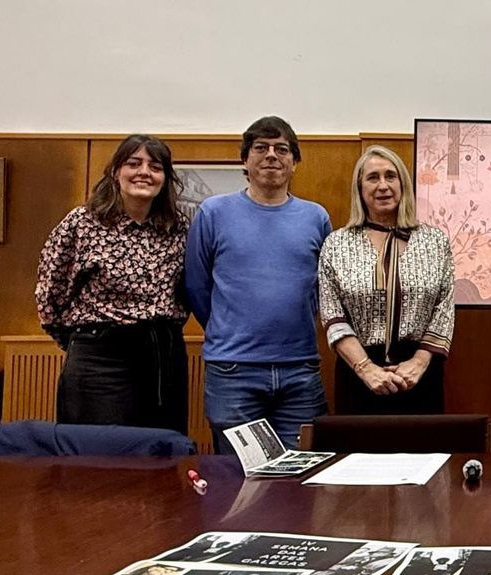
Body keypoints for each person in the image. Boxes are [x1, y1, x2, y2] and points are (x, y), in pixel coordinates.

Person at [185, 116, 331, 453]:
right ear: (245, 159)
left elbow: (324, 289)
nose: (271, 156)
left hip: (300, 370)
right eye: (260, 148)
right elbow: (196, 285)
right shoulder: (213, 213)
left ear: (294, 162)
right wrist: (231, 327)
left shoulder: (316, 217)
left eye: (282, 149)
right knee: (239, 483)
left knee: (301, 480)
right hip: (234, 371)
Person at [35, 134, 189, 433]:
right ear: (116, 171)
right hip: (99, 359)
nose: (144, 172)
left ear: (165, 178)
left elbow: (188, 288)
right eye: (134, 163)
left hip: (162, 357)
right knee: (97, 458)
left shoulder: (178, 227)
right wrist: (78, 339)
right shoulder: (82, 223)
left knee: (162, 452)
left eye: (155, 167)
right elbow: (50, 290)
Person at [319, 145, 455, 414]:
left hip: (419, 375)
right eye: (372, 178)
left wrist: (418, 362)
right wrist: (366, 369)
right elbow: (332, 315)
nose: (383, 185)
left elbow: (444, 309)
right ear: (360, 188)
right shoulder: (336, 244)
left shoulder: (435, 241)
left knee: (424, 456)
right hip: (358, 376)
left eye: (390, 176)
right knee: (357, 456)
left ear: (403, 184)